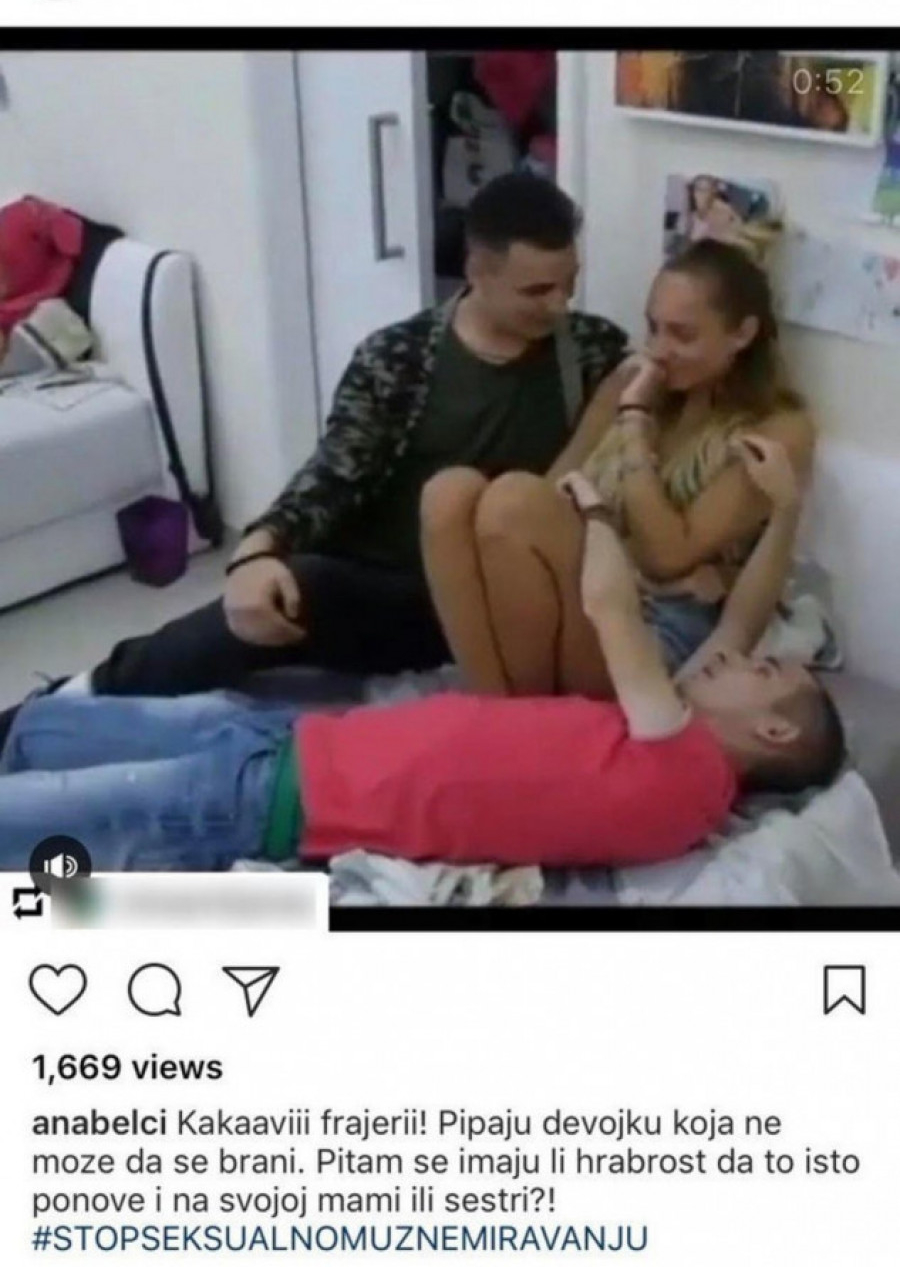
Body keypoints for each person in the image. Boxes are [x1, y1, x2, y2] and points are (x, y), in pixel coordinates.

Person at [0, 438, 845, 874]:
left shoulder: (688, 776)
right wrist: (784, 512)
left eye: (766, 671)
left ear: (773, 733)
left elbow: (611, 608)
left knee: (48, 810)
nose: (744, 660)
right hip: (290, 737)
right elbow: (739, 622)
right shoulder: (680, 726)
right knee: (47, 730)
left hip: (269, 797)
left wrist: (593, 511)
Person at [1, 173, 626, 729]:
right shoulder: (401, 358)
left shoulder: (592, 352)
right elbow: (335, 471)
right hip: (389, 584)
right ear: (477, 272)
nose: (558, 305)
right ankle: (64, 704)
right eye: (536, 291)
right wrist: (258, 549)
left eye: (568, 285)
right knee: (277, 598)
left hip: (505, 602)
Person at [420, 239, 815, 696]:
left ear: (742, 333)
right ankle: (495, 707)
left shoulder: (777, 429)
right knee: (449, 493)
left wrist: (634, 425)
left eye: (682, 334)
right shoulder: (633, 379)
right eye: (653, 328)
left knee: (514, 502)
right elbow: (554, 490)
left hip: (661, 625)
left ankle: (519, 717)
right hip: (602, 580)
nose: (659, 350)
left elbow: (666, 558)